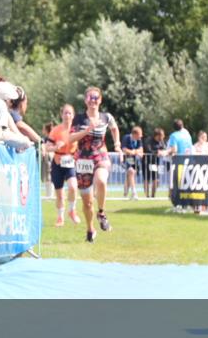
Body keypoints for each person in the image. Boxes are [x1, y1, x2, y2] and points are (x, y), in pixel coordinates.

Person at [65, 86, 120, 243]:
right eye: (90, 97)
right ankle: (90, 228)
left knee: (101, 180)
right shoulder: (78, 119)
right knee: (87, 202)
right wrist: (87, 130)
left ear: (100, 100)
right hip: (82, 158)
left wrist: (117, 143)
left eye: (96, 97)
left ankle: (101, 212)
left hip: (100, 154)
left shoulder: (106, 117)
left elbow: (114, 128)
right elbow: (70, 138)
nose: (93, 100)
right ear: (85, 100)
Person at [47, 104, 79, 225]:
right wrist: (56, 146)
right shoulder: (56, 130)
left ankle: (72, 210)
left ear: (73, 115)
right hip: (57, 163)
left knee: (73, 186)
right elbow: (47, 147)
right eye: (65, 113)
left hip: (70, 162)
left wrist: (77, 156)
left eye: (69, 113)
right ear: (61, 115)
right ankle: (60, 218)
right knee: (59, 195)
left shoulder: (76, 130)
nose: (67, 115)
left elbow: (82, 147)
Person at [144, 127, 168, 198]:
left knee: (156, 180)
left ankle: (152, 196)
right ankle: (147, 196)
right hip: (146, 162)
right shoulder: (148, 140)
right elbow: (148, 150)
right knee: (147, 179)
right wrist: (157, 152)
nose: (163, 137)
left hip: (154, 163)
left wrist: (161, 151)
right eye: (162, 135)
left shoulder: (161, 141)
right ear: (157, 135)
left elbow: (164, 149)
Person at [121, 126, 144, 199]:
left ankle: (125, 194)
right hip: (127, 159)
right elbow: (124, 149)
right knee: (131, 172)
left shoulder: (139, 140)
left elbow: (141, 150)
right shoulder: (126, 138)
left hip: (135, 160)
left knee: (129, 176)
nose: (141, 136)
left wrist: (134, 152)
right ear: (135, 134)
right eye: (140, 134)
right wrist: (133, 152)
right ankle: (134, 193)